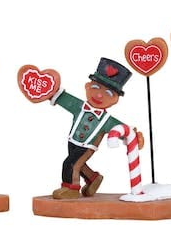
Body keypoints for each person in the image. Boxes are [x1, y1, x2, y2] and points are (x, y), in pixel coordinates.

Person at [50, 57, 144, 199]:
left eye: (108, 93)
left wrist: (134, 137)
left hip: (88, 145)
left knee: (71, 164)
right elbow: (62, 97)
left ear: (115, 100)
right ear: (87, 86)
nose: (99, 95)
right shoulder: (78, 105)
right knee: (79, 164)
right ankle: (93, 178)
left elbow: (123, 130)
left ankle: (71, 188)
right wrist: (49, 91)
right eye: (95, 88)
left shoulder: (107, 120)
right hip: (72, 140)